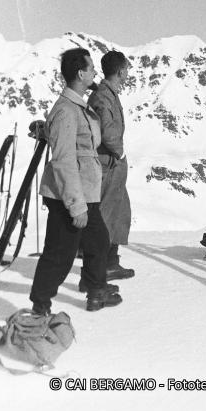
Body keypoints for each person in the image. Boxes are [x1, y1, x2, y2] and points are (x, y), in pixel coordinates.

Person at [29, 48, 122, 314]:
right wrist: (76, 205)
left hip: (84, 191)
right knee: (60, 254)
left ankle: (96, 291)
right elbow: (63, 161)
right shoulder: (66, 111)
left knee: (99, 241)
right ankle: (40, 306)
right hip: (68, 195)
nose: (95, 73)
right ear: (81, 74)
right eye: (92, 69)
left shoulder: (77, 107)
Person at [88, 50, 136, 283]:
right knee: (106, 217)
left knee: (118, 213)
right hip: (108, 164)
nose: (128, 73)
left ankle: (110, 263)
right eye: (126, 69)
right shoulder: (102, 97)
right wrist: (120, 151)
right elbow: (107, 131)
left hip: (112, 165)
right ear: (119, 71)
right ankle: (98, 270)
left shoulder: (107, 94)